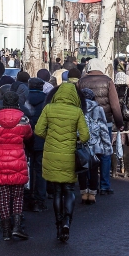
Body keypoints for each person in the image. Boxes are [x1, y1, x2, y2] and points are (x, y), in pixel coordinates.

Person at [34, 83, 90, 243]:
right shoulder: (77, 111)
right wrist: (74, 139)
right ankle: (67, 221)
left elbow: (38, 130)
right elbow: (85, 136)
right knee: (69, 189)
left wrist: (51, 138)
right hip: (69, 155)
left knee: (57, 191)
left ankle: (58, 224)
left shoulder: (49, 109)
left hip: (51, 154)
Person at [0, 91, 32, 241]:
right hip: (18, 161)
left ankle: (5, 231)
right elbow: (29, 135)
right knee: (17, 196)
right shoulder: (23, 120)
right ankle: (17, 227)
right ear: (17, 102)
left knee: (3, 197)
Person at [77, 58, 123, 195]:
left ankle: (91, 184)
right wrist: (119, 122)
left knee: (87, 152)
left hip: (84, 122)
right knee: (104, 153)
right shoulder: (108, 81)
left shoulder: (82, 81)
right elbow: (114, 104)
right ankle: (104, 185)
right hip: (105, 121)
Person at [79, 88, 112, 203]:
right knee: (94, 169)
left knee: (81, 169)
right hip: (95, 143)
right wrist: (107, 146)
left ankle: (83, 193)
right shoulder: (98, 109)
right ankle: (92, 194)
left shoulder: (77, 108)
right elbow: (103, 128)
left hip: (80, 143)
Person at [22, 77, 48, 212]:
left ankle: (28, 196)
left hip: (25, 138)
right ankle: (39, 199)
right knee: (40, 169)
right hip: (42, 139)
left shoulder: (23, 99)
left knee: (26, 168)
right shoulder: (46, 100)